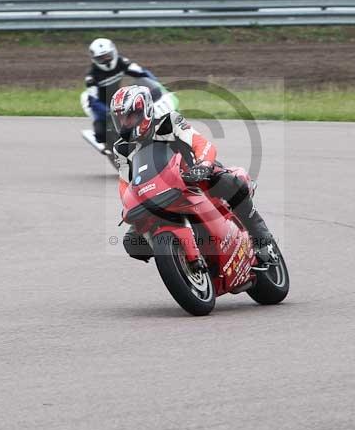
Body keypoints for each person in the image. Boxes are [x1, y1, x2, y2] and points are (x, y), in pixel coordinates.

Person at [110, 85, 276, 267]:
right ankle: (176, 257)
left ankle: (262, 240)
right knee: (132, 242)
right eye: (121, 119)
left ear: (146, 111)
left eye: (130, 116)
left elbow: (200, 142)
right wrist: (127, 203)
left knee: (231, 183)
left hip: (194, 177)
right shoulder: (121, 148)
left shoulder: (169, 121)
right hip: (158, 194)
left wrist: (203, 165)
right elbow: (125, 182)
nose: (126, 123)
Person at [81, 38, 161, 143]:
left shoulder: (122, 62)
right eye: (101, 58)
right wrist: (108, 113)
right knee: (100, 134)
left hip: (120, 98)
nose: (106, 60)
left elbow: (142, 73)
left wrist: (157, 85)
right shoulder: (91, 76)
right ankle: (109, 148)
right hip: (102, 105)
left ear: (113, 52)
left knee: (143, 112)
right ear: (94, 59)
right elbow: (93, 101)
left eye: (108, 56)